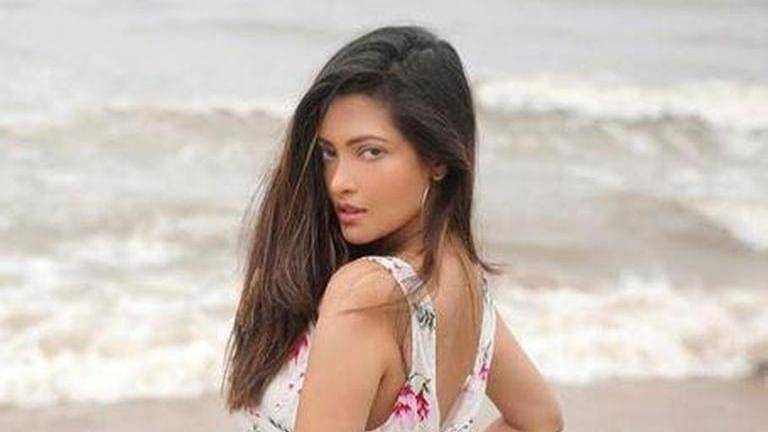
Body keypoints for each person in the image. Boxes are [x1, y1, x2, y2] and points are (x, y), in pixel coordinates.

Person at [220, 24, 563, 432]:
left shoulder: (365, 292)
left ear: (437, 159)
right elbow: (539, 420)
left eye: (370, 152)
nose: (338, 182)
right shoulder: (465, 282)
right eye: (329, 153)